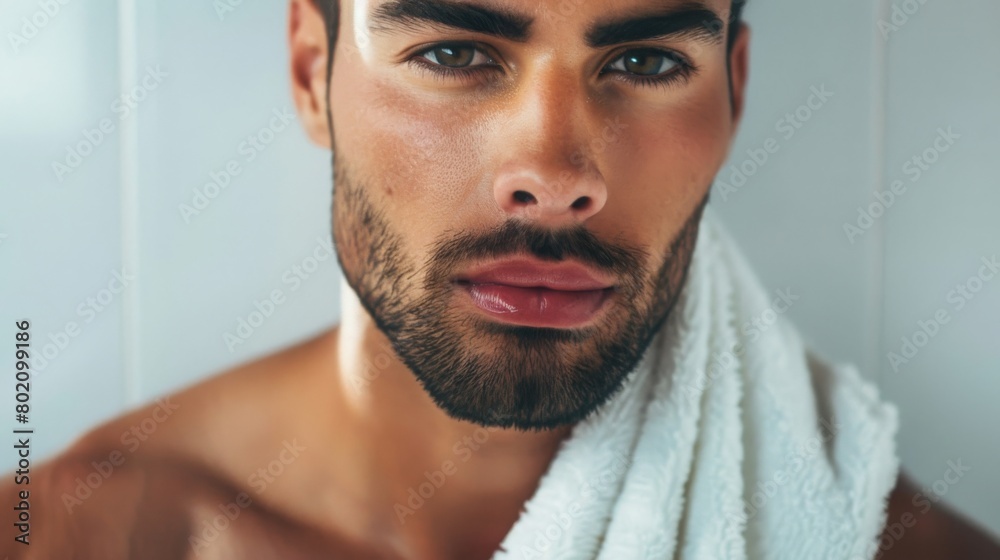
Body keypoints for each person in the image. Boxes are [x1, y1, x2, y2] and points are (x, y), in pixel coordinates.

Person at [4, 0, 998, 558]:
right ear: (312, 73)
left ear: (734, 95)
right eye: (453, 52)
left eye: (647, 61)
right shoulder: (70, 537)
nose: (556, 175)